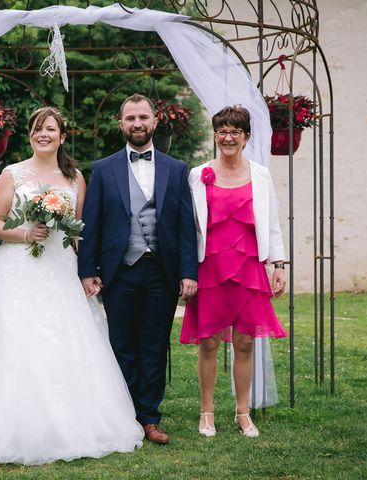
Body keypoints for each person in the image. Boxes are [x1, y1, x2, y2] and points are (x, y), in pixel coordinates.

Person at [0, 107, 144, 465]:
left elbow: (79, 230)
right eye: (36, 129)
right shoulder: (12, 173)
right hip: (17, 269)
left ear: (62, 136)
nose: (42, 134)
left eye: (50, 129)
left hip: (60, 269)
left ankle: (67, 423)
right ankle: (11, 424)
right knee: (18, 341)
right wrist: (25, 233)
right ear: (30, 136)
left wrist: (87, 271)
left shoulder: (75, 177)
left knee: (65, 342)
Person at [78, 93, 198, 445]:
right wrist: (87, 270)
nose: (137, 124)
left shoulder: (177, 169)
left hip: (162, 271)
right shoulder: (102, 168)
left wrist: (188, 272)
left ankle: (149, 417)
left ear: (155, 121)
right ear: (121, 123)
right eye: (130, 118)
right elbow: (92, 223)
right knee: (121, 344)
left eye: (143, 117)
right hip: (120, 270)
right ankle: (123, 415)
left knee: (155, 345)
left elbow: (185, 227)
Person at [180, 105, 288, 438]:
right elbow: (188, 227)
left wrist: (279, 264)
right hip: (209, 267)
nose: (228, 137)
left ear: (246, 138)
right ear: (215, 135)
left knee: (244, 343)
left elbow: (271, 222)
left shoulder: (260, 174)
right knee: (209, 343)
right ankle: (207, 412)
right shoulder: (198, 175)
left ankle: (243, 413)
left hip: (249, 267)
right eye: (222, 131)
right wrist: (187, 272)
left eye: (235, 132)